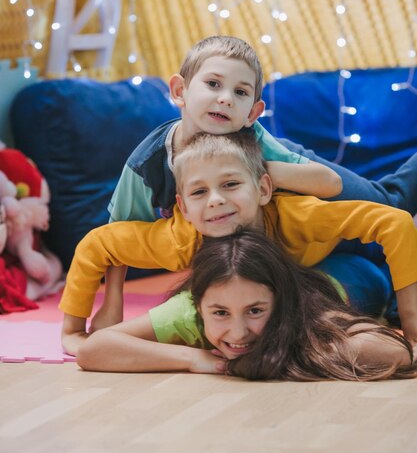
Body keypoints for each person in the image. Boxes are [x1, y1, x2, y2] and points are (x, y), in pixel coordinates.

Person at [104, 35, 417, 322]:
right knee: (340, 262)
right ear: (179, 90)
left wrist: (260, 173)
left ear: (252, 113)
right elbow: (116, 235)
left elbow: (330, 184)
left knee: (389, 206)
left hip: (295, 174)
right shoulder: (148, 165)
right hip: (294, 239)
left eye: (239, 92)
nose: (225, 98)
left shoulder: (252, 137)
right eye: (213, 84)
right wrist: (111, 304)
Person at [59, 131, 417, 356]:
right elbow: (97, 245)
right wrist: (78, 326)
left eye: (228, 187)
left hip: (281, 169)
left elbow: (393, 223)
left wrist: (411, 324)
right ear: (181, 206)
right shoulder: (176, 240)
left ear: (263, 190)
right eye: (200, 193)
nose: (214, 200)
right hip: (304, 256)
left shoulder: (296, 212)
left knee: (393, 201)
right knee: (365, 275)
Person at [76, 230, 417, 381]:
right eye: (220, 313)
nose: (238, 333)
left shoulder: (306, 310)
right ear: (198, 306)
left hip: (362, 273)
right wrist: (194, 358)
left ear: (280, 302)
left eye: (256, 311)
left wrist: (285, 352)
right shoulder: (188, 310)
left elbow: (401, 352)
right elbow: (95, 349)